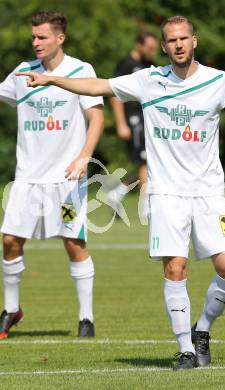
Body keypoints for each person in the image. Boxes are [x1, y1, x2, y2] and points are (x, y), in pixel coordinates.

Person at [18, 15, 225, 369]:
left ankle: (202, 329)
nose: (178, 45)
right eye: (171, 40)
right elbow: (98, 86)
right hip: (165, 193)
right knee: (175, 268)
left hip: (208, 193)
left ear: (195, 41)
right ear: (163, 47)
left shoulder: (219, 81)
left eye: (184, 39)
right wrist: (51, 78)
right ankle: (186, 349)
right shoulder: (148, 80)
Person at [0, 11, 104, 339]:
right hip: (27, 178)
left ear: (60, 38)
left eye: (42, 37)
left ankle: (86, 319)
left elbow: (97, 118)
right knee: (10, 240)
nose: (35, 43)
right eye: (33, 37)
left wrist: (84, 156)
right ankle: (11, 309)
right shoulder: (21, 72)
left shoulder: (81, 71)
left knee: (74, 242)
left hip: (66, 179)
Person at [108, 31, 158, 217]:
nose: (152, 52)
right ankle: (146, 206)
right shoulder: (126, 64)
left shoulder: (148, 66)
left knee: (151, 162)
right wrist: (121, 123)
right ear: (139, 44)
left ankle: (118, 192)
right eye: (149, 47)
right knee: (145, 161)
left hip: (148, 119)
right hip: (133, 119)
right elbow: (114, 94)